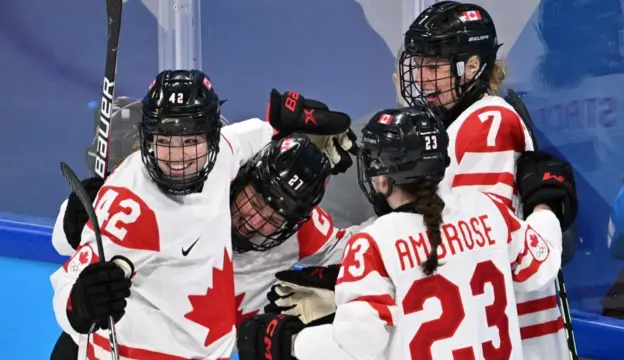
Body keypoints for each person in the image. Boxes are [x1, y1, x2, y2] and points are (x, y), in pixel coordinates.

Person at [49, 69, 352, 359]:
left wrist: (298, 140)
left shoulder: (226, 158)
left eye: (191, 141)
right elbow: (68, 278)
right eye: (165, 141)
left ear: (213, 138)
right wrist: (80, 304)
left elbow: (259, 136)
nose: (178, 158)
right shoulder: (132, 201)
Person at [236, 105, 577, 360]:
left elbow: (358, 346)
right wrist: (543, 205)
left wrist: (288, 342)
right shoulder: (489, 210)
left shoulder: (375, 242)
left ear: (382, 179)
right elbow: (539, 267)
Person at [397, 2, 577, 359]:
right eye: (418, 65)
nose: (421, 78)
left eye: (433, 66)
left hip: (516, 336)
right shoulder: (456, 122)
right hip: (492, 330)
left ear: (473, 66)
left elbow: (478, 247)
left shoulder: (487, 123)